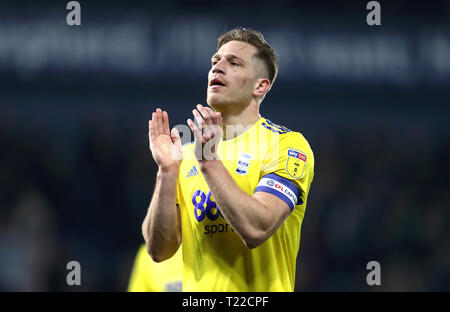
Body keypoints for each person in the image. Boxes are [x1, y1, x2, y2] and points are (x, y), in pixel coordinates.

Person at [142, 28, 314, 291]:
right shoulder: (187, 155)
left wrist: (209, 163)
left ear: (260, 86)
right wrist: (166, 171)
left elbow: (257, 229)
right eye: (215, 61)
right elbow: (159, 250)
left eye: (233, 63)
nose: (217, 68)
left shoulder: (285, 145)